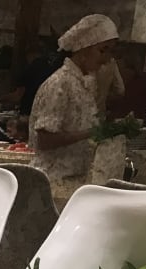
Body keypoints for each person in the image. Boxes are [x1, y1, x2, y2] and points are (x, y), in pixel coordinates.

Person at [29, 14, 118, 186]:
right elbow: (45, 140)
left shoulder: (84, 83)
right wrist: (91, 132)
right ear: (83, 49)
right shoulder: (60, 83)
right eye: (102, 50)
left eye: (110, 51)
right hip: (53, 181)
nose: (107, 58)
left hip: (75, 179)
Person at [0, 41, 55, 116]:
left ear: (29, 54)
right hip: (46, 112)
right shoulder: (51, 69)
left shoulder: (29, 70)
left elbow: (17, 97)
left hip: (29, 113)